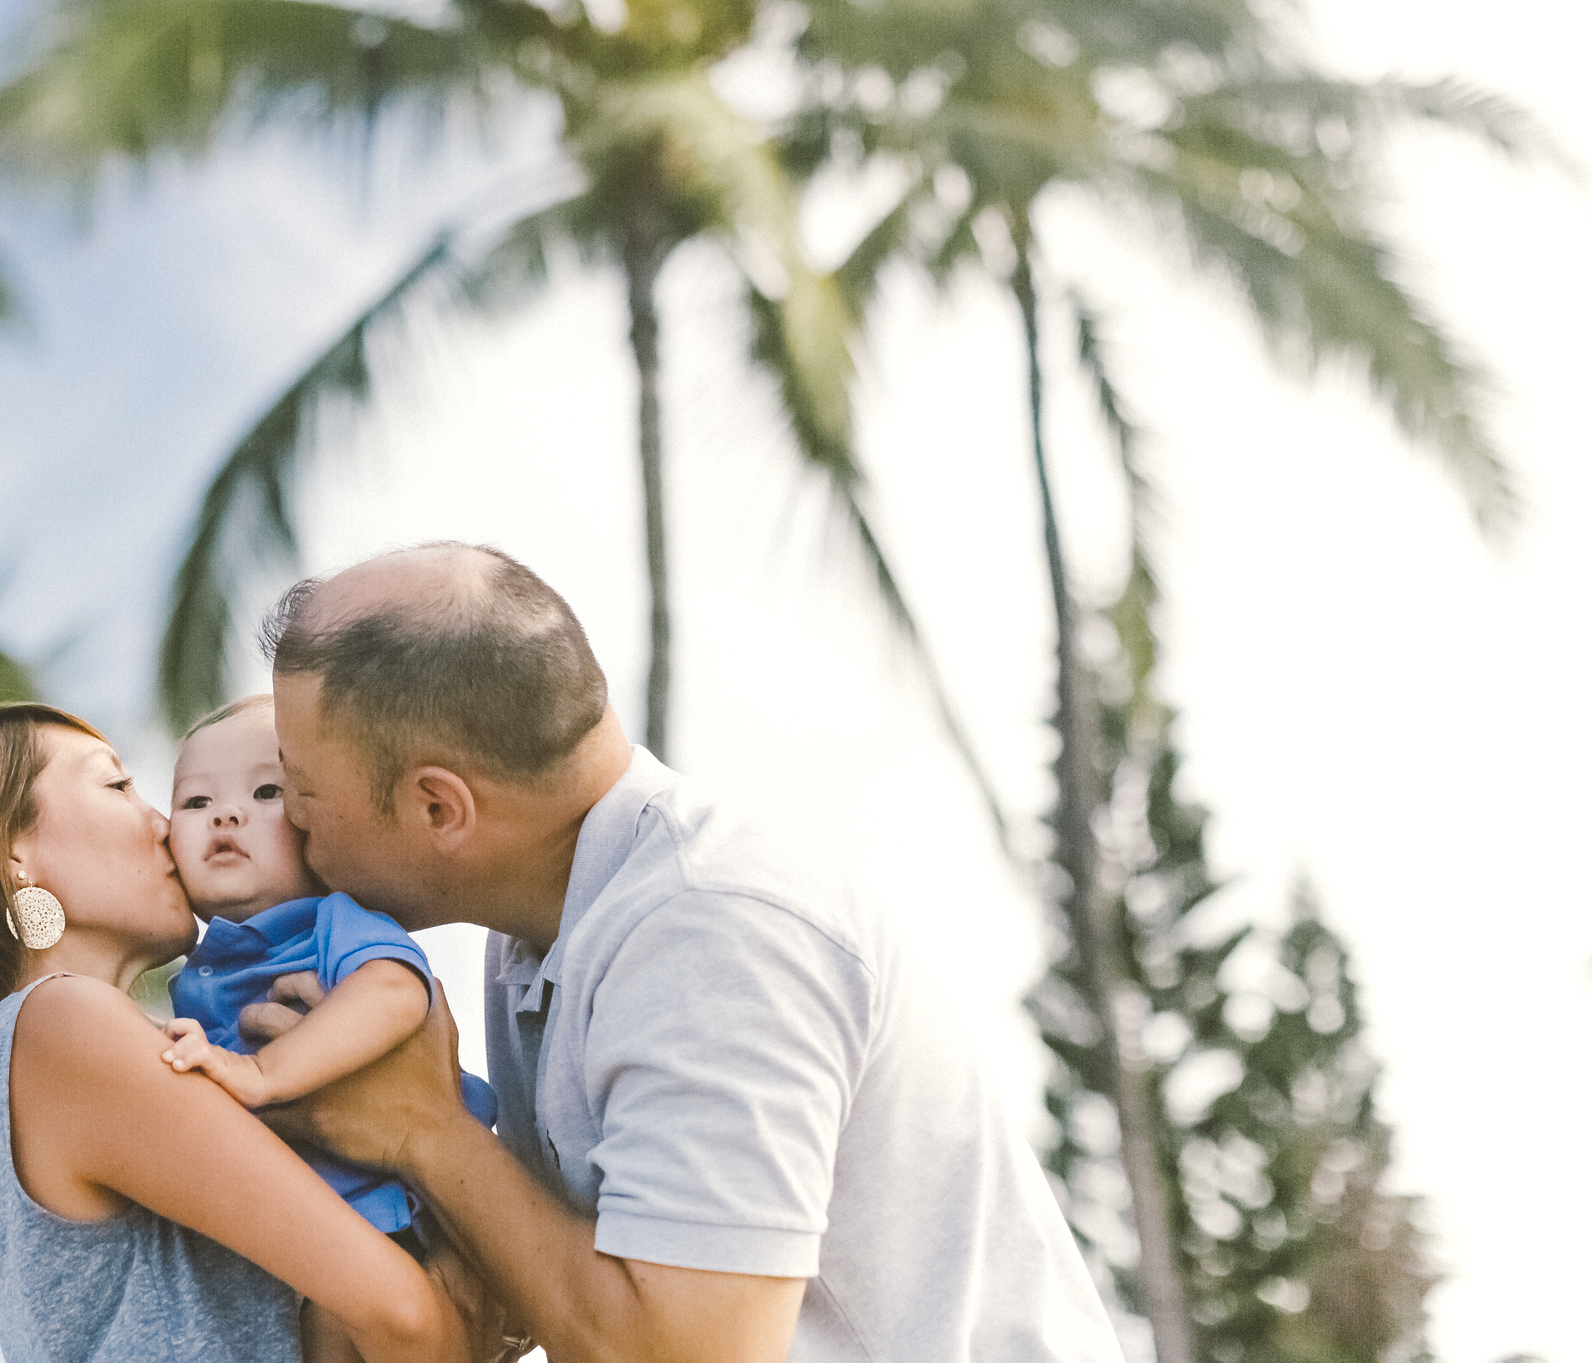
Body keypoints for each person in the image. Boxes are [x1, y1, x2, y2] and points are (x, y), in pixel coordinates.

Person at [242, 544, 1126, 1363]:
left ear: (441, 808)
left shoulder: (708, 927)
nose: (289, 820)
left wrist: (424, 1130)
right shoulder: (539, 936)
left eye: (301, 786)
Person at [0, 701, 475, 1363]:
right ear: (7, 848)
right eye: (117, 785)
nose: (164, 824)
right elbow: (406, 1318)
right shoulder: (62, 1026)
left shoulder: (17, 1072)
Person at [157, 695, 500, 1363]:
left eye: (264, 792)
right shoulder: (200, 973)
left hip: (392, 1216)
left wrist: (264, 1072)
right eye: (196, 802)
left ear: (316, 823)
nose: (226, 814)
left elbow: (397, 990)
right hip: (303, 1248)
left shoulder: (329, 922)